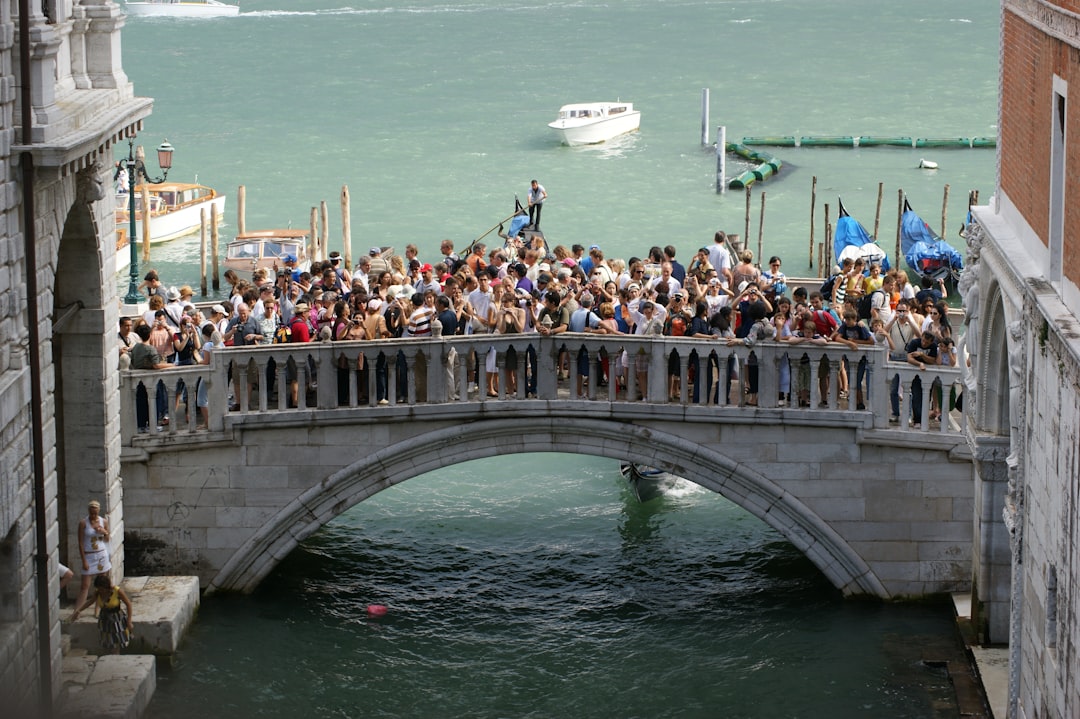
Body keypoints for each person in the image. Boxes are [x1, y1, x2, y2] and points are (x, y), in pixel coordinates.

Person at [71, 574, 133, 655]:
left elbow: (128, 604)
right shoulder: (98, 593)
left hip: (116, 618)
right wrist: (79, 610)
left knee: (117, 640)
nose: (101, 591)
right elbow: (90, 602)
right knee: (108, 640)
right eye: (99, 589)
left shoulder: (116, 591)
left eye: (102, 589)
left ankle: (116, 655)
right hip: (105, 619)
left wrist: (129, 621)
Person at [73, 500, 112, 617]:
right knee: (85, 585)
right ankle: (77, 611)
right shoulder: (83, 523)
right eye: (91, 513)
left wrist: (104, 532)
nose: (93, 515)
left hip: (101, 554)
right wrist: (84, 560)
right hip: (89, 555)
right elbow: (80, 543)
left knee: (101, 584)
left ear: (98, 511)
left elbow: (107, 539)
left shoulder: (103, 521)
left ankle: (98, 609)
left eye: (95, 513)